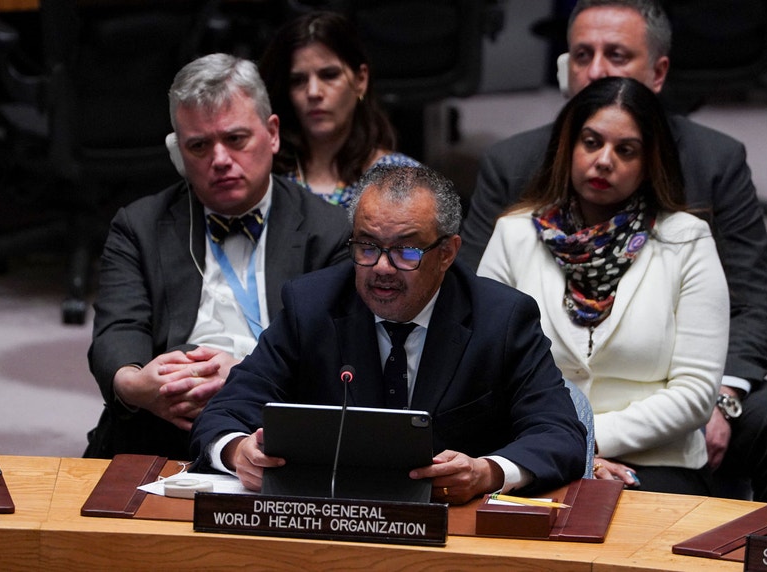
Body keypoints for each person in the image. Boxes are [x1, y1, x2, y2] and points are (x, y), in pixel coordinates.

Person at [461, 0, 767, 503]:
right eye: (582, 55)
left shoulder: (712, 168)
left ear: (658, 72)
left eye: (615, 55)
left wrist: (722, 398)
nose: (596, 71)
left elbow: (751, 302)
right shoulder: (513, 173)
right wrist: (563, 443)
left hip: (678, 399)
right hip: (541, 421)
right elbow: (475, 317)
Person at [190, 165, 588, 504]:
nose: (381, 267)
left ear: (447, 253)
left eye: (405, 251)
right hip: (333, 521)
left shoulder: (501, 319)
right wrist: (236, 451)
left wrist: (487, 472)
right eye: (367, 246)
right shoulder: (310, 306)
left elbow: (560, 433)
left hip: (453, 530)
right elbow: (226, 410)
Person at [85, 53, 352, 460]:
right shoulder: (139, 225)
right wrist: (134, 384)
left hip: (274, 425)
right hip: (161, 421)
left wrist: (248, 374)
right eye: (199, 146)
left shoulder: (330, 231)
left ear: (272, 133)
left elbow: (333, 357)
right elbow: (117, 329)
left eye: (236, 139)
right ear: (178, 152)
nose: (220, 160)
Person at [479, 76, 728, 495]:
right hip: (535, 453)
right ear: (568, 146)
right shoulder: (513, 234)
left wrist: (587, 441)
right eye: (591, 143)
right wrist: (562, 449)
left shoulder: (687, 240)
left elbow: (696, 393)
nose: (604, 161)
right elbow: (486, 370)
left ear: (649, 161)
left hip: (655, 461)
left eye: (625, 150)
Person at [259, 11, 419, 208]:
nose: (313, 92)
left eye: (329, 75)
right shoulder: (261, 177)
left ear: (361, 80)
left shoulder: (402, 180)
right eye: (298, 81)